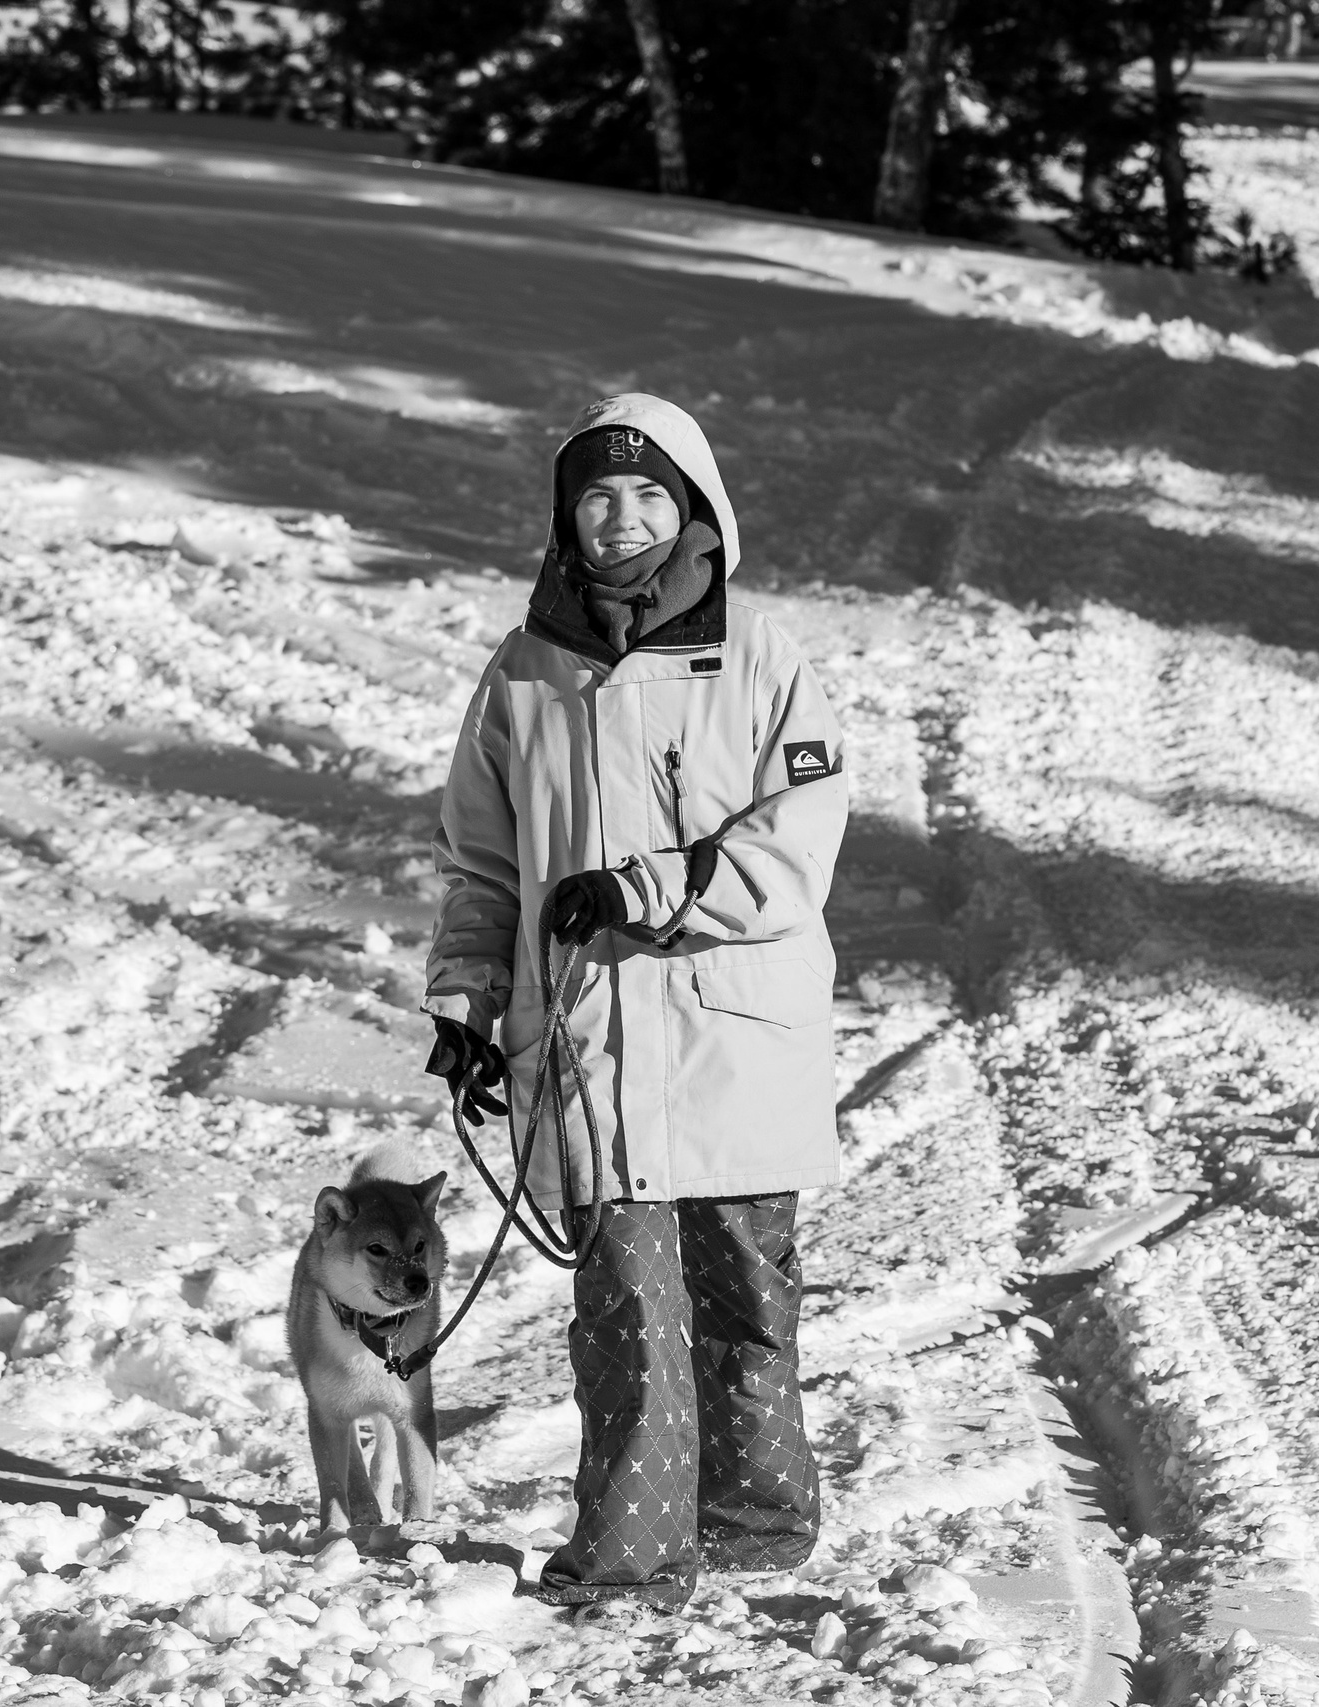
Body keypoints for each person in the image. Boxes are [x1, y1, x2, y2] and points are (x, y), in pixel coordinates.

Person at [424, 393, 847, 1610]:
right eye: (598, 497)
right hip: (589, 1035)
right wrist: (466, 1003)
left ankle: (754, 1523)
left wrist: (648, 888)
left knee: (745, 1296)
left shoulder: (760, 656)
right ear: (566, 516)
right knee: (625, 1309)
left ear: (694, 507)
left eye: (648, 494)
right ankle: (630, 1558)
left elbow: (795, 842)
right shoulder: (522, 673)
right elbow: (482, 866)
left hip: (734, 1034)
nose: (621, 519)